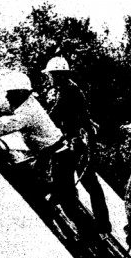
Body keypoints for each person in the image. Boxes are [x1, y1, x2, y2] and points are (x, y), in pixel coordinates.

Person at [0, 70, 92, 234]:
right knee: (57, 194)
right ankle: (73, 223)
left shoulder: (26, 113)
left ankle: (91, 238)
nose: (7, 96)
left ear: (19, 92)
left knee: (66, 202)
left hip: (59, 157)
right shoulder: (24, 102)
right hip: (57, 154)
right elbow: (0, 108)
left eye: (9, 93)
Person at [40, 56, 112, 237]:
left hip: (78, 145)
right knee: (87, 183)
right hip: (79, 142)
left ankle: (99, 227)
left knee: (84, 183)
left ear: (58, 75)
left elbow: (55, 115)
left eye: (51, 75)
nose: (49, 78)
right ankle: (101, 225)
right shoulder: (67, 89)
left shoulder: (67, 91)